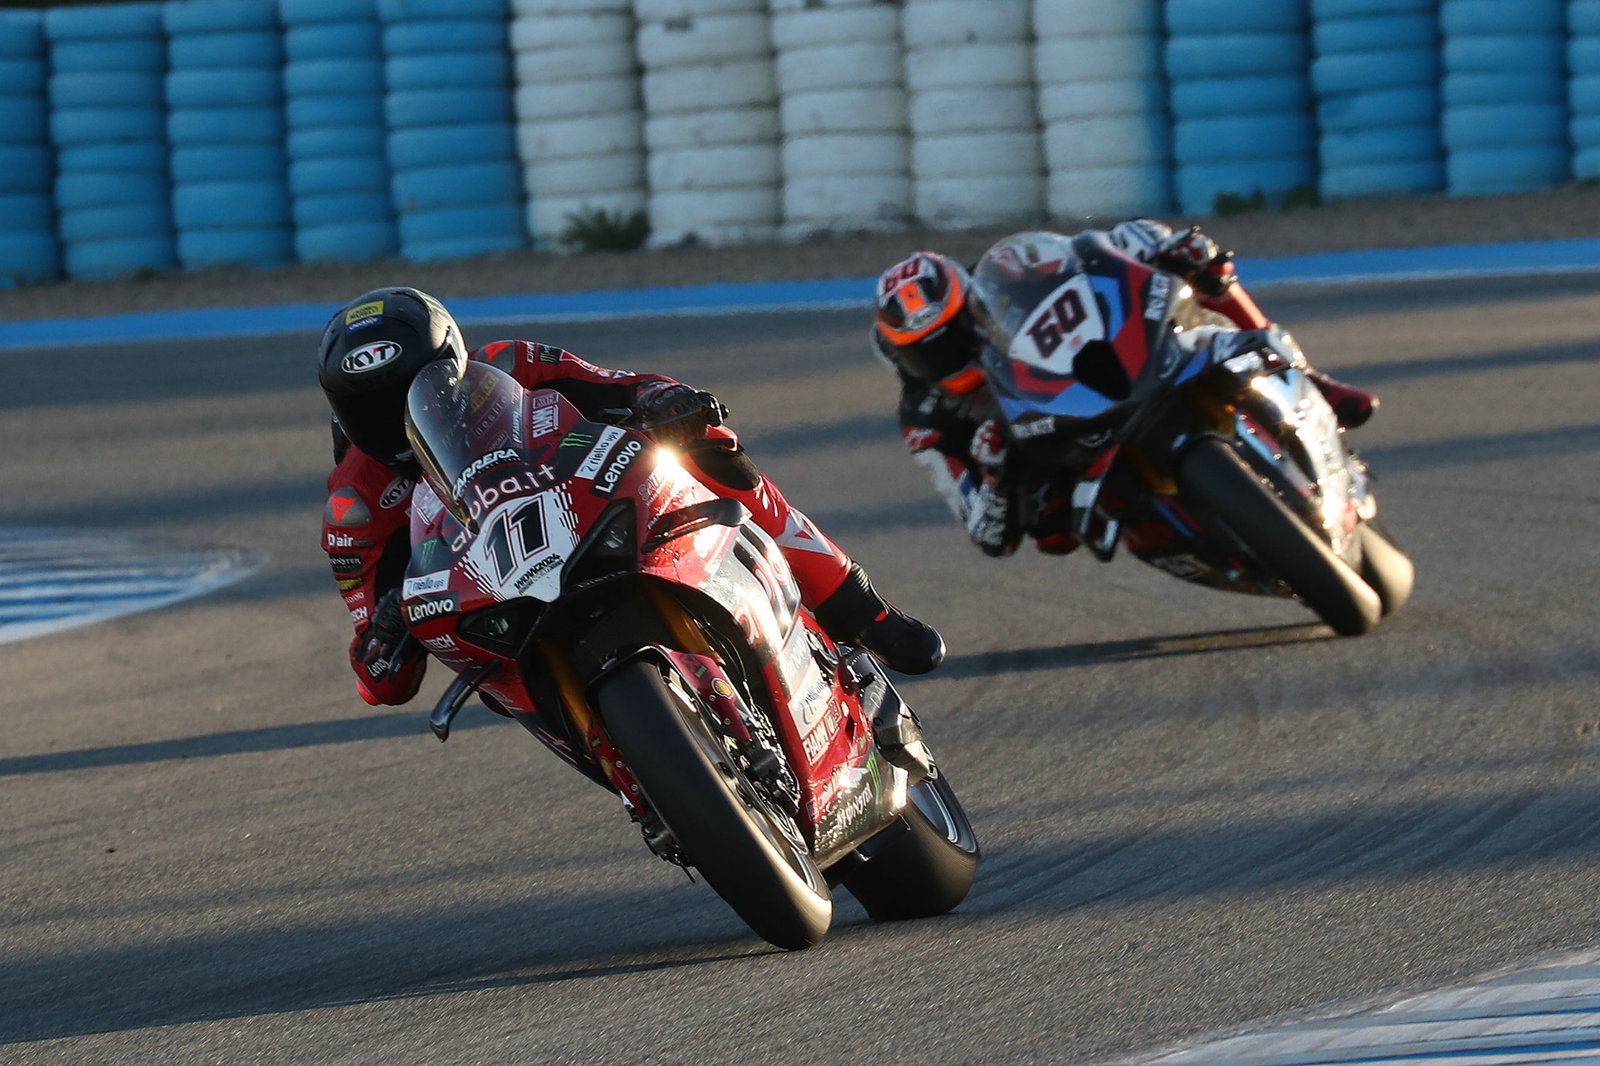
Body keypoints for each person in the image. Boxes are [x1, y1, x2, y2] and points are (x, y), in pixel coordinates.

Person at [318, 286, 944, 707]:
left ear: (455, 359)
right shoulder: (353, 507)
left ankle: (863, 611)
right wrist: (386, 634)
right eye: (375, 408)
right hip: (504, 607)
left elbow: (623, 385)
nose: (404, 416)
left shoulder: (509, 364)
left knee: (707, 444)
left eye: (419, 388)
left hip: (593, 516)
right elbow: (381, 680)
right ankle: (646, 777)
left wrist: (660, 402)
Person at [870, 218, 1380, 558]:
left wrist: (1164, 247)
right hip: (1050, 449)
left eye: (956, 332)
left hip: (1106, 376)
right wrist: (996, 473)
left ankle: (1313, 380)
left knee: (1200, 279)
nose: (950, 355)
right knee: (1051, 535)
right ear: (899, 357)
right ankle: (1170, 525)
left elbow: (1092, 253)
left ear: (972, 306)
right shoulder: (924, 418)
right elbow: (986, 534)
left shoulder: (1008, 281)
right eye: (925, 352)